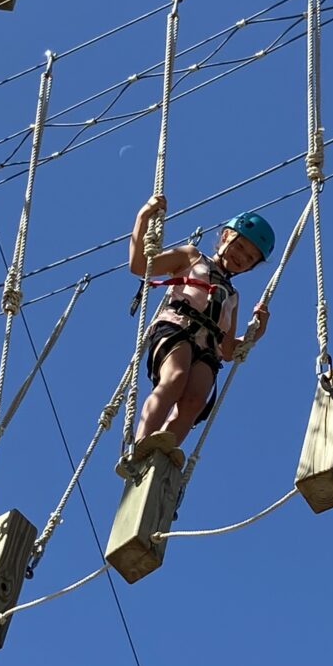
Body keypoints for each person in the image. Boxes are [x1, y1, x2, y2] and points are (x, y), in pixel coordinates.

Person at [121, 194, 273, 474]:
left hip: (207, 348)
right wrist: (144, 216)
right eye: (240, 246)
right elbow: (140, 266)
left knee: (195, 400)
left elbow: (227, 350)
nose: (242, 257)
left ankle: (158, 461)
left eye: (250, 258)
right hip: (177, 328)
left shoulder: (233, 296)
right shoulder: (192, 257)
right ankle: (139, 443)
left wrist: (256, 333)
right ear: (225, 236)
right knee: (176, 377)